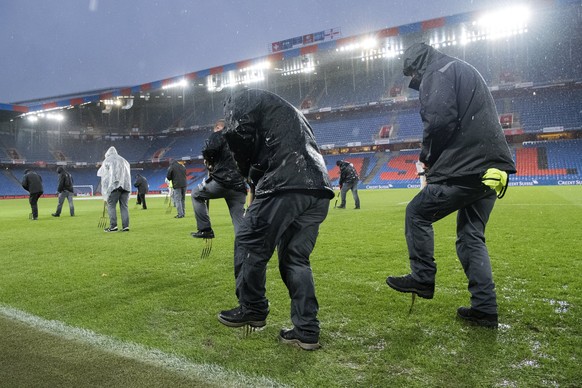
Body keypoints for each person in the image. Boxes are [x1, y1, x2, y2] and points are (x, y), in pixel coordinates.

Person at [385, 43, 516, 328]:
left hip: (467, 167)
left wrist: (427, 158)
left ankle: (422, 277)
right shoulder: (459, 68)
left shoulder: (438, 71)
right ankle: (484, 309)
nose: (414, 82)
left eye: (412, 74)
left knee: (417, 213)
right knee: (471, 236)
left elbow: (440, 119)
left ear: (418, 64)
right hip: (492, 169)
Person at [217, 88, 334, 351]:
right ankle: (306, 331)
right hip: (317, 187)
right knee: (295, 259)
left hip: (285, 183)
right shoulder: (284, 108)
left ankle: (253, 308)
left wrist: (247, 172)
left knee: (249, 241)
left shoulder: (240, 99)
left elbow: (238, 134)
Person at [191, 119, 247, 239]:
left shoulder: (218, 135)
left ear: (218, 127)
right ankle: (245, 250)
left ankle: (205, 229)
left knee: (196, 194)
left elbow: (208, 150)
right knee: (239, 220)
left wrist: (209, 161)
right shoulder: (239, 139)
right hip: (239, 186)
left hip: (222, 181)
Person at [97, 146, 132, 232]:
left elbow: (104, 178)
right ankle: (125, 226)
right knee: (124, 206)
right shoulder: (125, 161)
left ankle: (113, 226)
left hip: (114, 187)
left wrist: (105, 194)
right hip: (126, 187)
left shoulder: (107, 160)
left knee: (111, 206)